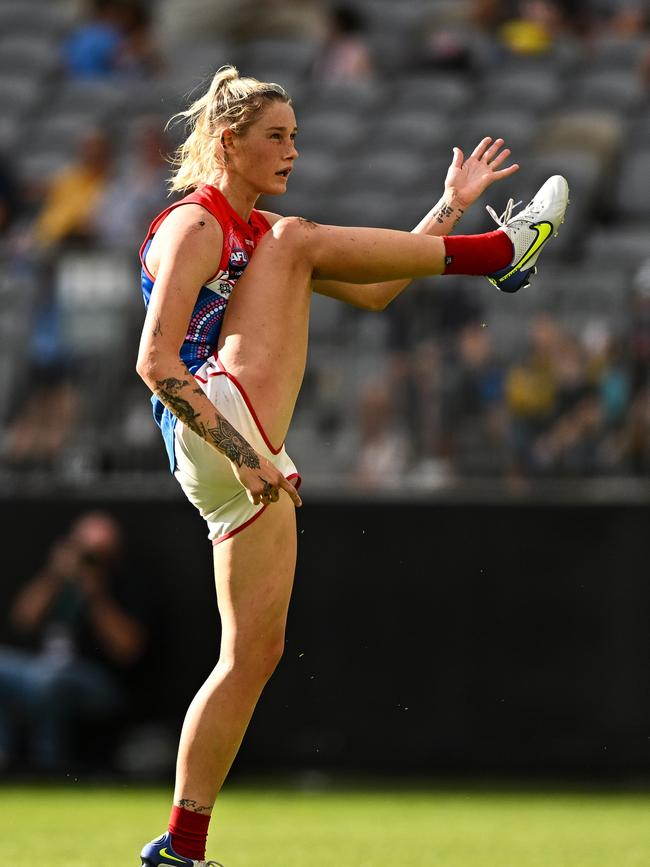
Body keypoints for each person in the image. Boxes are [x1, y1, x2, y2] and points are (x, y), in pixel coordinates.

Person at [136, 65, 568, 866]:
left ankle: (181, 848)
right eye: (276, 136)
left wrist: (448, 207)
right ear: (227, 142)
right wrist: (248, 456)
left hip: (228, 452)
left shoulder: (257, 239)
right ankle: (503, 255)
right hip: (217, 426)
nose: (292, 150)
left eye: (296, 136)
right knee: (297, 234)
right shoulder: (196, 226)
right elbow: (156, 362)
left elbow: (374, 295)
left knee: (250, 657)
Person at [0, 512, 145, 771]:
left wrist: (96, 594)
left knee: (52, 680)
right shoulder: (56, 581)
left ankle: (49, 769)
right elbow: (22, 620)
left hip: (98, 678)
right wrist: (54, 575)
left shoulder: (127, 584)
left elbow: (128, 649)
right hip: (40, 667)